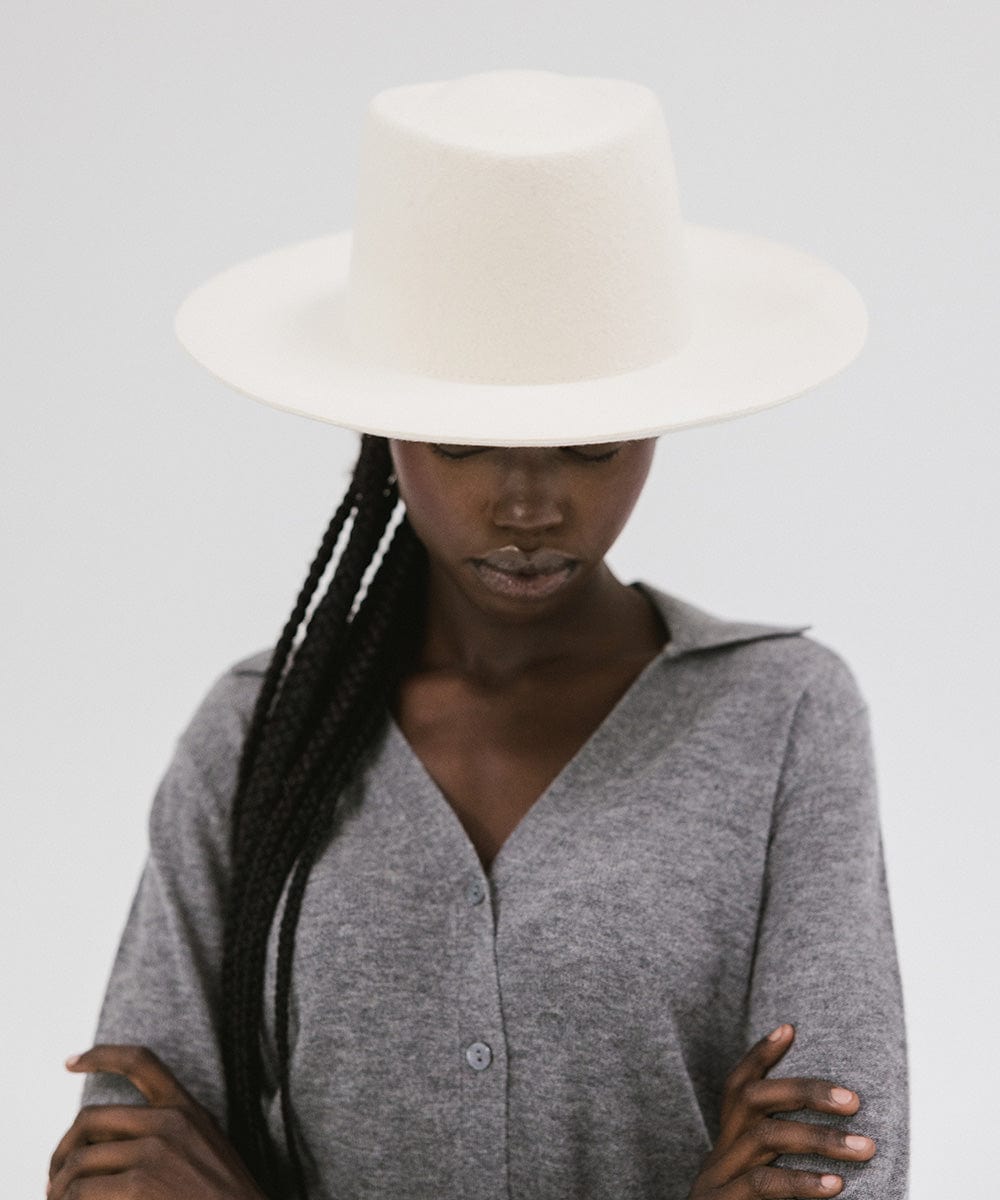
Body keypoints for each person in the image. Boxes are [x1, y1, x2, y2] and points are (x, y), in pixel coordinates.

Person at [46, 69, 908, 1200]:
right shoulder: (260, 736)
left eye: (590, 445)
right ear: (382, 421)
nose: (526, 506)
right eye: (460, 441)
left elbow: (838, 1169)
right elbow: (126, 1166)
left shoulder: (781, 716)